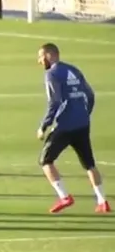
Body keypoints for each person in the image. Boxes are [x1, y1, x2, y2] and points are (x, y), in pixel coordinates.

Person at [35, 43, 109, 214]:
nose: (39, 61)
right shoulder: (74, 70)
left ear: (49, 55)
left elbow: (54, 102)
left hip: (65, 126)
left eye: (40, 56)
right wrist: (85, 113)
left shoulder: (51, 74)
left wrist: (44, 126)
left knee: (45, 161)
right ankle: (102, 201)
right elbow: (90, 95)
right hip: (82, 124)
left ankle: (64, 196)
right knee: (89, 163)